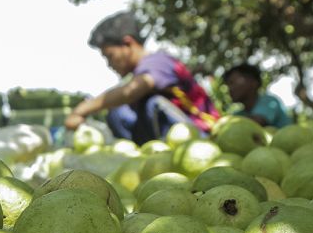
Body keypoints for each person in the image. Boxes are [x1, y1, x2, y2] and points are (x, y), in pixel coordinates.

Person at [64, 11, 220, 145]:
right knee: (118, 111)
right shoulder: (142, 70)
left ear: (127, 44)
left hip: (202, 135)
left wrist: (81, 110)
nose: (109, 64)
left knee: (152, 104)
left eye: (110, 56)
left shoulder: (158, 61)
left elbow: (131, 91)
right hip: (173, 138)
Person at [224, 63, 292, 128]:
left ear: (253, 83)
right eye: (228, 84)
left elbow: (255, 122)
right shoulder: (239, 115)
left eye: (232, 83)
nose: (229, 89)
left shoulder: (269, 102)